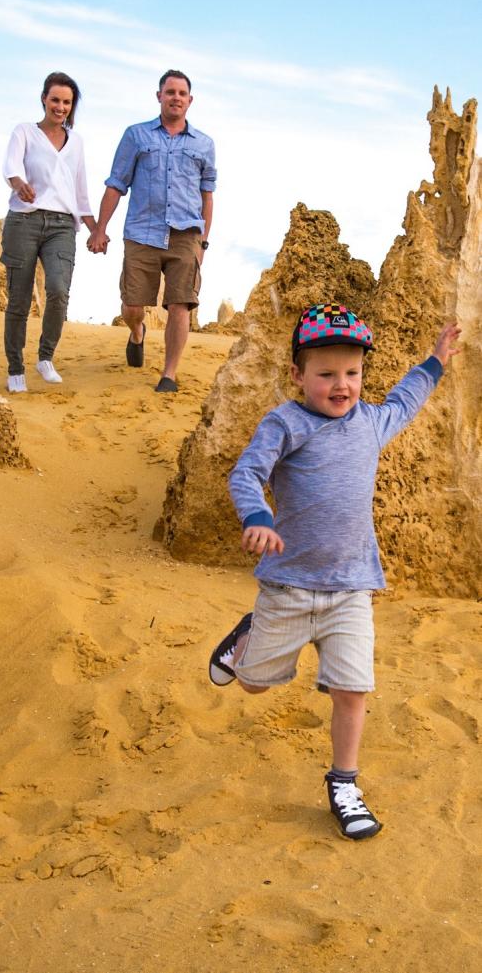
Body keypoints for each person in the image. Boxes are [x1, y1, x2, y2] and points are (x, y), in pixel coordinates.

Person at [208, 304, 462, 840]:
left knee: (353, 692)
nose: (341, 385)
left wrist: (435, 362)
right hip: (288, 585)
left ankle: (344, 783)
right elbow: (248, 472)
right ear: (299, 376)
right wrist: (257, 515)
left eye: (352, 373)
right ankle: (247, 637)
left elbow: (406, 399)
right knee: (254, 685)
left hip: (351, 589)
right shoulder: (286, 422)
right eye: (326, 375)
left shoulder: (371, 422)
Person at [87, 70, 216, 393]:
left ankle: (168, 374)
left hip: (185, 234)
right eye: (169, 92)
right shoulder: (136, 136)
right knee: (132, 304)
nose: (176, 97)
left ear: (190, 100)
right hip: (142, 233)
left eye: (182, 93)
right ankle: (136, 332)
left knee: (180, 304)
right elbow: (116, 184)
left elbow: (207, 194)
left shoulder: (204, 144)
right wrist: (100, 229)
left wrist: (203, 241)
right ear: (158, 96)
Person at [0, 72, 105, 393]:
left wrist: (96, 229)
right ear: (44, 99)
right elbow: (11, 166)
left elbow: (80, 190)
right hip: (24, 221)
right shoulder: (25, 133)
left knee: (58, 291)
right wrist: (19, 184)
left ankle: (45, 357)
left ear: (72, 107)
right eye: (55, 100)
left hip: (62, 225)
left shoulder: (77, 143)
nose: (60, 107)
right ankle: (15, 367)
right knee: (19, 299)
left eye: (67, 102)